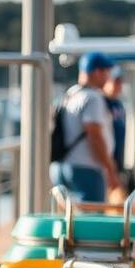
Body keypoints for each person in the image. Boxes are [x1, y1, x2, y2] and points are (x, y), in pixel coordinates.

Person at [50, 52, 120, 203]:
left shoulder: (70, 94)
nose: (109, 77)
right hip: (85, 169)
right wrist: (110, 169)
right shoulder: (93, 98)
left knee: (67, 218)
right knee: (91, 220)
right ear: (97, 72)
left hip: (61, 167)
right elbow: (94, 135)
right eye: (107, 71)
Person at [104, 72, 127, 179]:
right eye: (115, 82)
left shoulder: (119, 104)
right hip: (105, 158)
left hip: (118, 156)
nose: (118, 86)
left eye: (119, 83)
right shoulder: (102, 102)